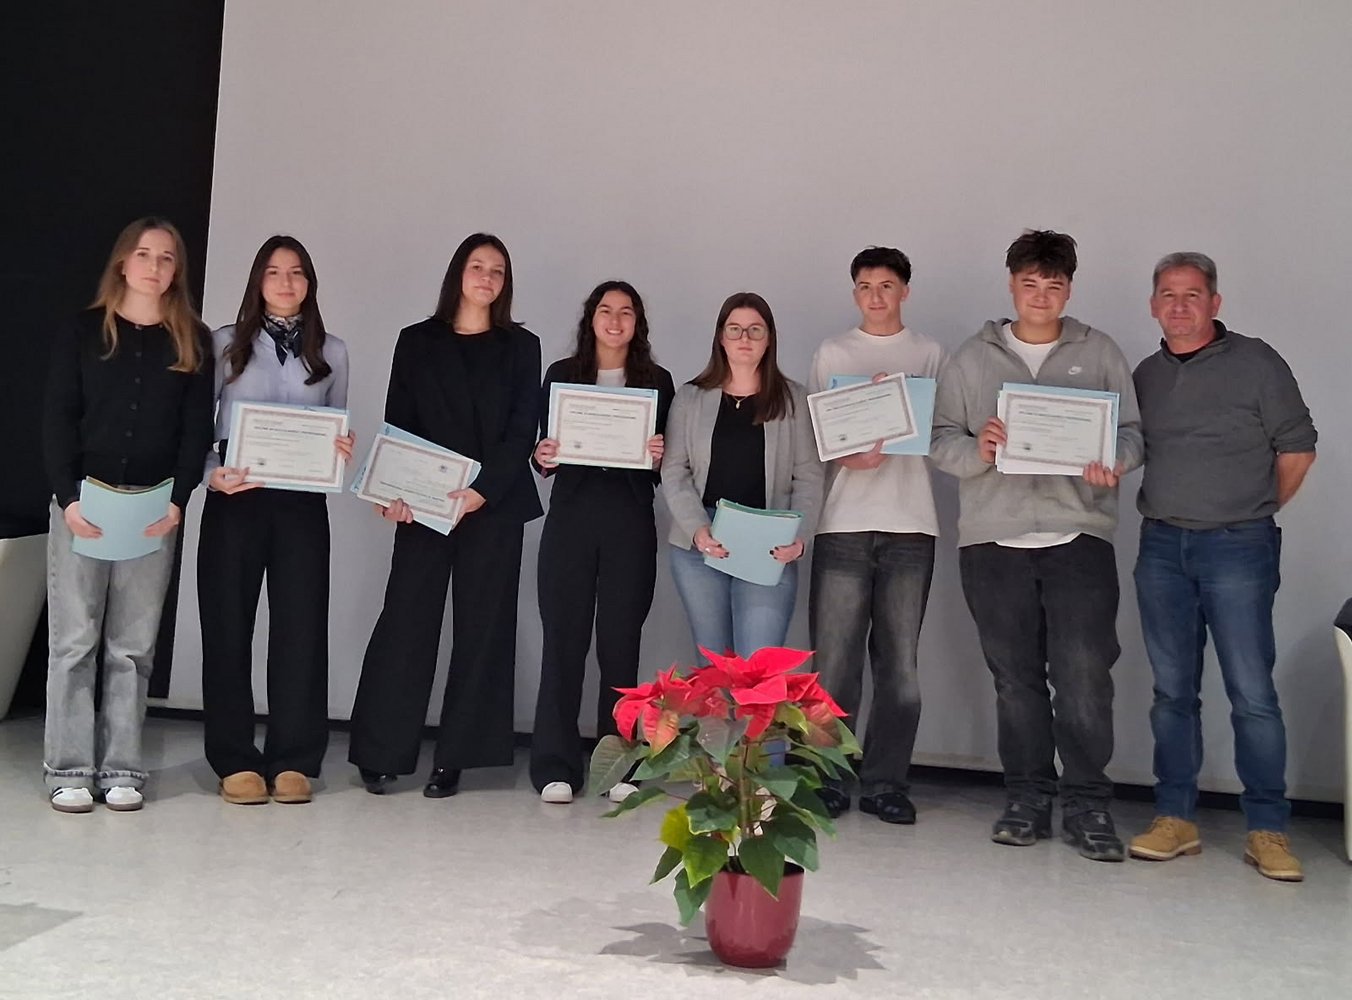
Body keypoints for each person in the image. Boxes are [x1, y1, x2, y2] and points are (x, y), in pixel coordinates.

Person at [930, 230, 1142, 861]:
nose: (1041, 296)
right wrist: (980, 450)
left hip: (1079, 536)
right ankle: (1026, 799)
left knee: (1084, 679)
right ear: (1012, 286)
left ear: (1069, 289)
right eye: (1030, 284)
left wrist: (1114, 459)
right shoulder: (972, 358)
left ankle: (1088, 805)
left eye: (1054, 285)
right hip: (993, 541)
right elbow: (940, 440)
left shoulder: (1099, 350)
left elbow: (1133, 433)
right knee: (1015, 680)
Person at [1127, 252, 1316, 882]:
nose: (1179, 305)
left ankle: (1267, 828)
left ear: (1215, 302)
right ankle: (1175, 818)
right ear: (1153, 305)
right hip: (1162, 548)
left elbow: (1298, 449)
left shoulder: (1257, 363)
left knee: (1252, 694)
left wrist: (1252, 511)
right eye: (1168, 294)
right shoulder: (1146, 375)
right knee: (1172, 694)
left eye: (1192, 294)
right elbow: (1127, 446)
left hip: (1239, 547)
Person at [348, 233, 542, 798]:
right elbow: (398, 423)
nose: (487, 277)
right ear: (458, 273)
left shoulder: (521, 346)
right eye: (477, 266)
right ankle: (381, 752)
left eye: (497, 271)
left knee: (484, 629)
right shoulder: (416, 340)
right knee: (406, 622)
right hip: (423, 505)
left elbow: (521, 429)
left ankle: (456, 758)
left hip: (494, 505)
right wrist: (389, 491)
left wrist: (482, 491)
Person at [43, 217, 214, 813]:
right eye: (144, 254)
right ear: (123, 261)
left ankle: (120, 768)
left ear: (176, 271)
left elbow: (195, 430)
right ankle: (68, 769)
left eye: (166, 258)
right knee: (74, 642)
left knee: (132, 647)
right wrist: (67, 498)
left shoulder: (192, 340)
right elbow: (58, 417)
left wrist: (178, 499)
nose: (154, 266)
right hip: (84, 503)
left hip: (151, 509)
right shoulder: (84, 331)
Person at [197, 235, 354, 806]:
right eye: (273, 272)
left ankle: (294, 758)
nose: (286, 283)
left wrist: (340, 448)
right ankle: (234, 759)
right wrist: (211, 473)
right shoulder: (223, 344)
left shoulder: (332, 351)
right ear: (257, 282)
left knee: (301, 629)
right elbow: (197, 424)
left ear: (310, 283)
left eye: (296, 273)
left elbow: (336, 421)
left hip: (302, 506)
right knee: (227, 627)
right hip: (236, 500)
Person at [807, 247, 945, 825]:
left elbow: (942, 432)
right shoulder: (833, 353)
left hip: (911, 524)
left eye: (886, 286)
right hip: (842, 523)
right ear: (854, 293)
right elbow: (817, 439)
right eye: (865, 286)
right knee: (835, 666)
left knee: (900, 669)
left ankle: (887, 782)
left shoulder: (929, 353)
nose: (875, 296)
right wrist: (848, 453)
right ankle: (827, 779)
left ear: (905, 291)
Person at [529, 281, 675, 805]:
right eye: (606, 311)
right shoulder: (561, 375)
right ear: (591, 319)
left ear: (638, 323)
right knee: (562, 644)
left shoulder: (657, 381)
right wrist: (542, 455)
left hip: (629, 523)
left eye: (626, 312)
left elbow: (668, 465)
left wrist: (659, 457)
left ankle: (620, 767)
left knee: (620, 647)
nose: (615, 321)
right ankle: (555, 765)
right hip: (571, 520)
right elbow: (543, 451)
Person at [662, 292, 822, 659]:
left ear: (769, 338)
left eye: (755, 330)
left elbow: (809, 477)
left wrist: (799, 538)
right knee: (713, 669)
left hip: (769, 543)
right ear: (721, 337)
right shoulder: (690, 397)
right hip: (700, 543)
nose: (744, 338)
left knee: (758, 668)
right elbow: (674, 470)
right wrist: (698, 530)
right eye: (734, 329)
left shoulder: (793, 399)